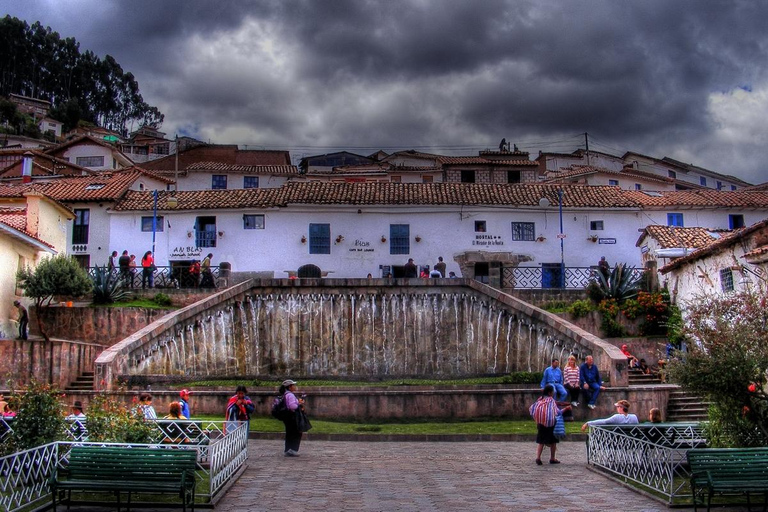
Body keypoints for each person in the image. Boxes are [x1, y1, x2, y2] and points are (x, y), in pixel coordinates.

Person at [531, 385, 570, 465]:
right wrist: (566, 409)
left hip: (541, 423)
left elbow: (533, 408)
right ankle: (552, 458)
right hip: (551, 424)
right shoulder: (551, 401)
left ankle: (538, 457)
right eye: (553, 391)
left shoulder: (540, 399)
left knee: (541, 441)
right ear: (550, 392)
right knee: (553, 441)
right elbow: (557, 412)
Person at [279, 379, 306, 456]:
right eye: (293, 385)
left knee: (290, 433)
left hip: (288, 416)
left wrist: (297, 402)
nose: (294, 386)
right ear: (290, 387)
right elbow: (292, 406)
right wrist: (298, 404)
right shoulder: (290, 395)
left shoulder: (286, 394)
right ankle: (293, 449)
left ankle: (288, 449)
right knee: (295, 433)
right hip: (292, 416)